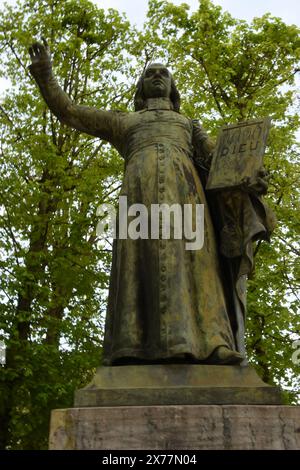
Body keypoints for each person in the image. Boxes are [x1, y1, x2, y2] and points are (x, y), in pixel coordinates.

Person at [28, 40, 275, 366]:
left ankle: (215, 344)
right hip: (138, 201)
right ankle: (131, 345)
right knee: (137, 265)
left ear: (172, 87)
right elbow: (71, 112)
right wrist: (45, 74)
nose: (158, 76)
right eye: (151, 73)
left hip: (187, 199)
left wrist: (249, 174)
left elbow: (220, 158)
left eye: (164, 73)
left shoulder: (188, 124)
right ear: (141, 87)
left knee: (200, 268)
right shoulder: (124, 122)